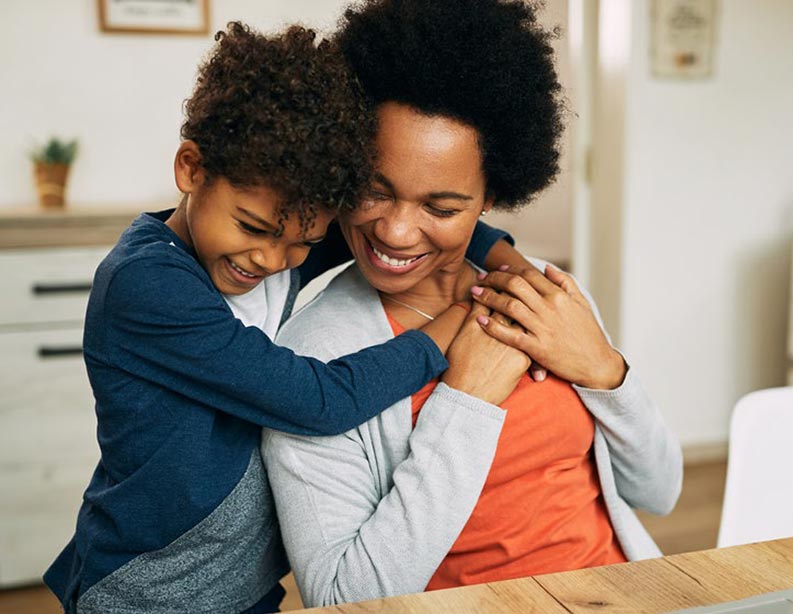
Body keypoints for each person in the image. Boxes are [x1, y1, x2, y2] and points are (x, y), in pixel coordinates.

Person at [43, 22, 522, 614]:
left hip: (248, 591)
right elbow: (320, 401)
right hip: (146, 592)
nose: (271, 260)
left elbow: (403, 232)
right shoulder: (148, 285)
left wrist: (508, 262)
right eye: (252, 227)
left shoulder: (285, 227)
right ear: (191, 168)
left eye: (303, 243)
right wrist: (453, 323)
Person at [263, 0, 683, 607]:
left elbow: (660, 491)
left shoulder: (546, 296)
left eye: (441, 208)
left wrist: (604, 371)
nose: (397, 233)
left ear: (491, 198)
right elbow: (340, 598)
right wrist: (466, 400)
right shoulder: (314, 361)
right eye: (373, 190)